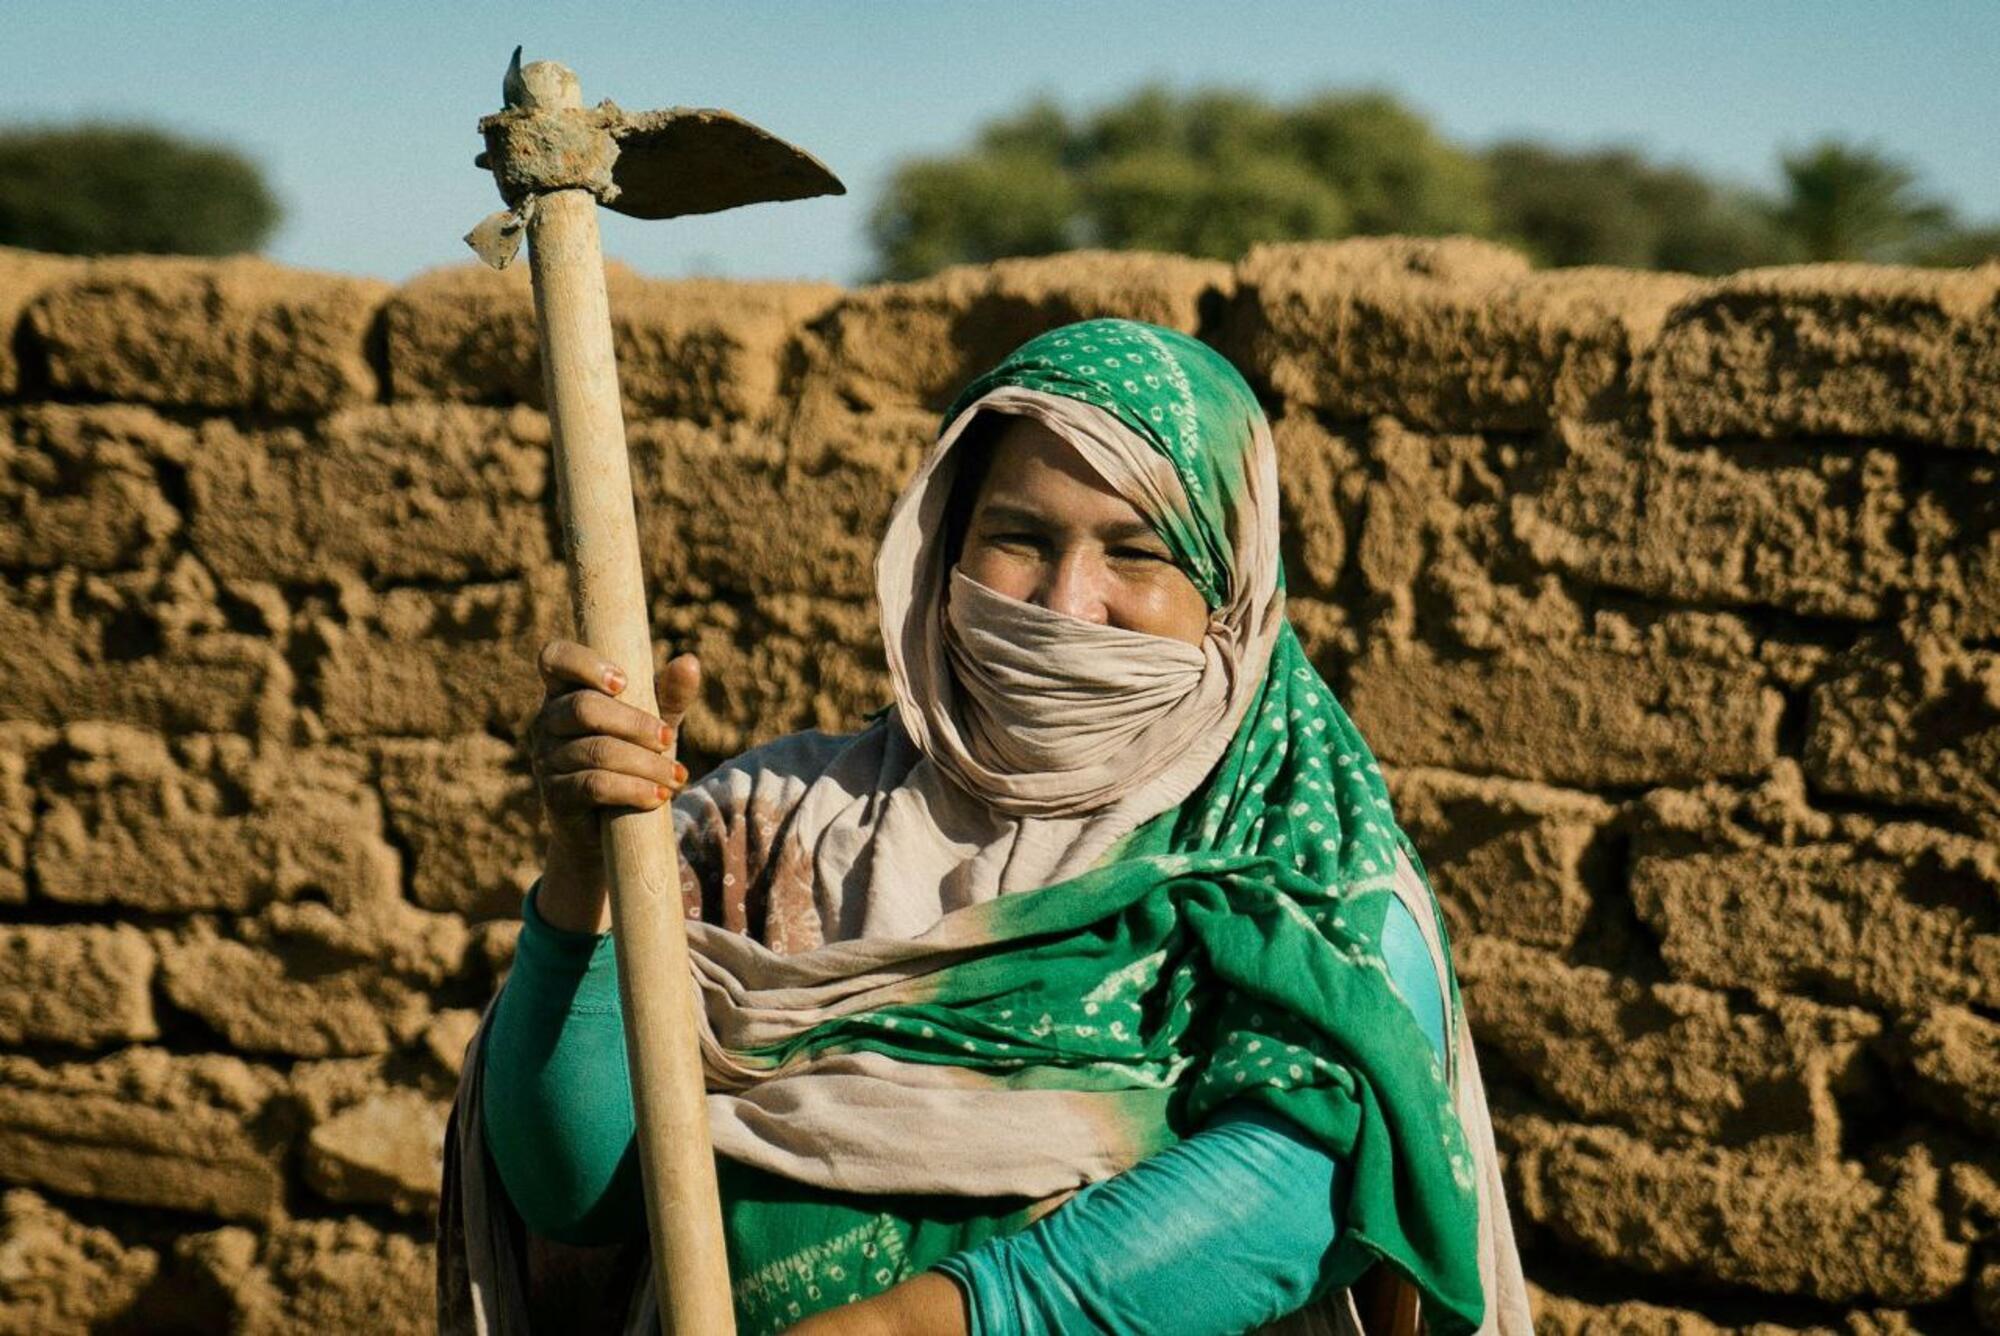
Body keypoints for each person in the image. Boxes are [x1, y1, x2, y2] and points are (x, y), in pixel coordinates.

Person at [438, 319, 1530, 1335]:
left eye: (1137, 553)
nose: (1064, 602)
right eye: (1017, 537)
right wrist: (586, 870)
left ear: (1230, 587)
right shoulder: (768, 827)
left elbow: (1305, 1175)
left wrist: (924, 1320)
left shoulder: (1302, 868)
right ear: (942, 554)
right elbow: (579, 1186)